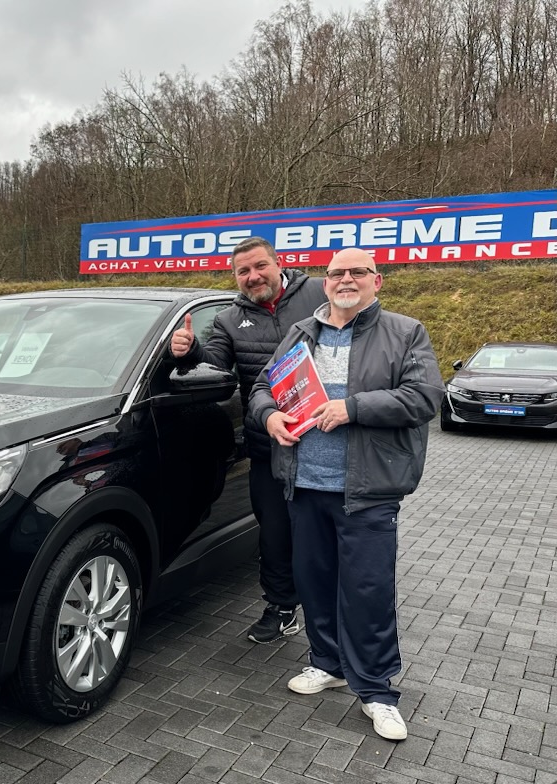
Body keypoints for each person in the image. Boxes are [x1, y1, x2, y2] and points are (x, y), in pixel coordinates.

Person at [249, 248, 444, 741]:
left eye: (359, 272)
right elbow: (262, 386)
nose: (346, 280)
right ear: (325, 282)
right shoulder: (303, 332)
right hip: (304, 484)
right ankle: (328, 663)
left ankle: (377, 690)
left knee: (367, 591)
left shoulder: (405, 332)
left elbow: (424, 397)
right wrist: (270, 415)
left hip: (367, 490)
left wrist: (352, 408)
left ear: (378, 281)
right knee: (314, 582)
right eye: (337, 273)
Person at [170, 236, 326, 643]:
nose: (253, 276)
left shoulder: (319, 293)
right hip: (268, 444)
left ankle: (336, 609)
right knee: (274, 534)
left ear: (279, 264)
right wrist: (189, 352)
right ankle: (281, 608)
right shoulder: (228, 319)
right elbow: (215, 365)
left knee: (328, 531)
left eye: (260, 266)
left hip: (327, 439)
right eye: (243, 271)